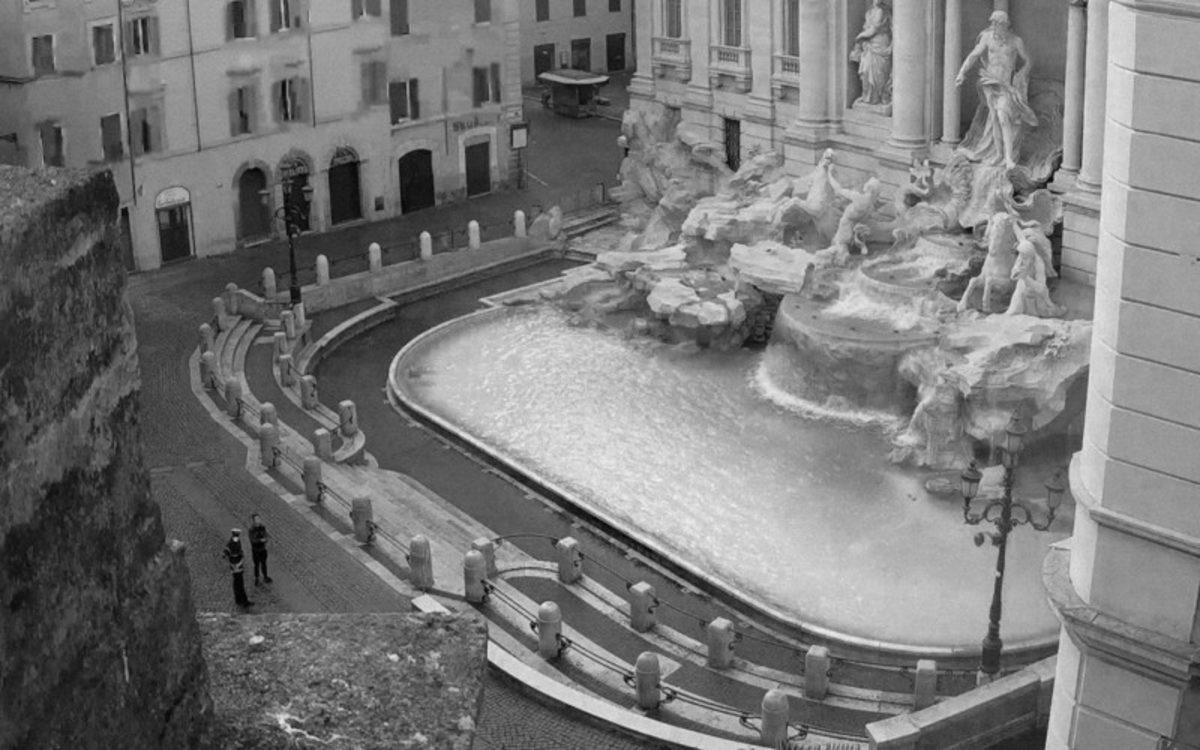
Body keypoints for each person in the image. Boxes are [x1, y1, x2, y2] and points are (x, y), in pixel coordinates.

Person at [955, 11, 1038, 169]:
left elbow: (1029, 60)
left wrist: (1022, 74)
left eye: (996, 24)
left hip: (1005, 85)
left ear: (1004, 24)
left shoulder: (1015, 41)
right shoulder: (987, 37)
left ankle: (1008, 157)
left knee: (1002, 116)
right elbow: (974, 55)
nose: (992, 27)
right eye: (992, 23)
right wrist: (961, 72)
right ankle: (999, 154)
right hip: (989, 82)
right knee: (994, 119)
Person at [850, 0, 893, 107]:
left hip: (880, 44)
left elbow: (873, 30)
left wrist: (858, 38)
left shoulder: (882, 11)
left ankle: (877, 97)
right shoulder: (870, 12)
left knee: (879, 72)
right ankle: (867, 97)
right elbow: (868, 28)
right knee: (866, 71)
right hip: (869, 45)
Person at [223, 529, 252, 607]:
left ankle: (239, 599)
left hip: (238, 563)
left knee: (238, 583)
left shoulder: (235, 541)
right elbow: (227, 551)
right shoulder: (232, 543)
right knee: (239, 583)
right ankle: (243, 600)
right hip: (235, 564)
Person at [249, 513, 272, 585]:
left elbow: (266, 534)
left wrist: (267, 537)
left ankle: (265, 577)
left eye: (259, 518)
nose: (259, 520)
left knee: (264, 564)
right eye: (257, 519)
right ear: (253, 521)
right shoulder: (251, 530)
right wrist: (260, 540)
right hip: (256, 551)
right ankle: (257, 579)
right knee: (256, 565)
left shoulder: (262, 527)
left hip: (263, 549)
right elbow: (252, 540)